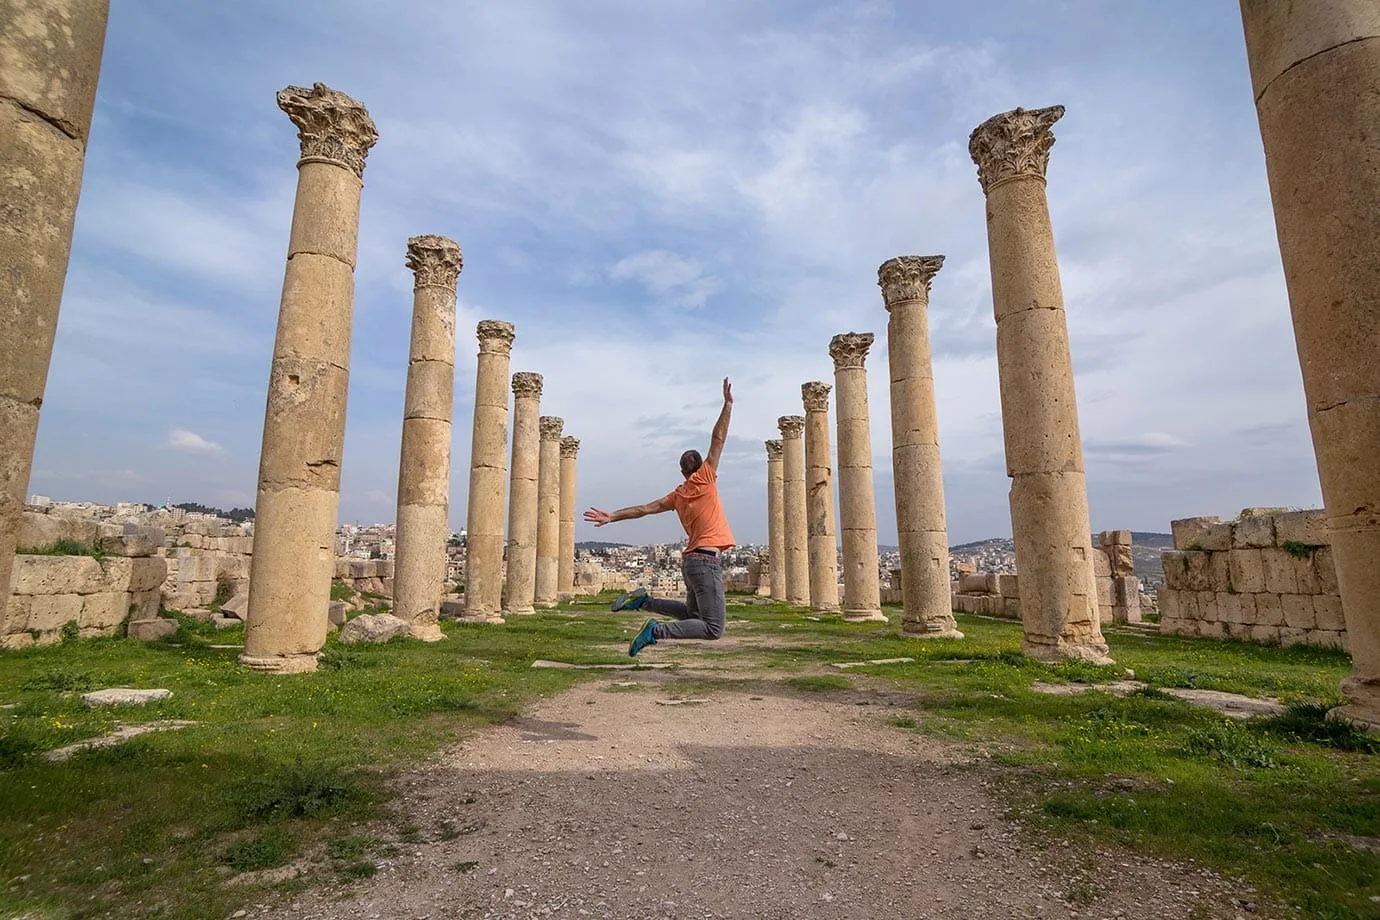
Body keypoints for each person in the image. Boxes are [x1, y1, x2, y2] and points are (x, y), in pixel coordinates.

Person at [584, 378, 736, 656]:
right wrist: (727, 405)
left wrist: (613, 515)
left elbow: (644, 510)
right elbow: (718, 439)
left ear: (681, 473)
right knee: (713, 627)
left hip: (690, 562)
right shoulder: (705, 479)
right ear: (702, 467)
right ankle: (655, 630)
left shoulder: (677, 495)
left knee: (691, 614)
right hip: (705, 561)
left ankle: (643, 602)